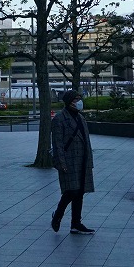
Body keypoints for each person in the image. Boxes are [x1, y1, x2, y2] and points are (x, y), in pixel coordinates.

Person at [50, 89, 95, 235]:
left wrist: (89, 161)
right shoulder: (59, 118)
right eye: (76, 99)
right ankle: (58, 215)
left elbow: (86, 141)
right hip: (68, 161)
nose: (79, 102)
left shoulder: (81, 118)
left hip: (82, 160)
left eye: (79, 98)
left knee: (80, 192)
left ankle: (76, 223)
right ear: (69, 102)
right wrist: (61, 163)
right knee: (71, 191)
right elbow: (57, 143)